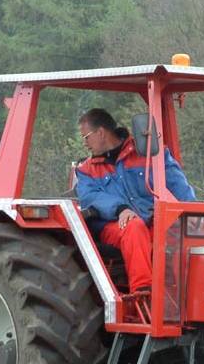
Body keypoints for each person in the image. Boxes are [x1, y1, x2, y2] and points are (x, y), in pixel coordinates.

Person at [75, 108, 195, 293]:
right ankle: (142, 292)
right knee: (134, 227)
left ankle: (189, 292)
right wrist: (120, 209)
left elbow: (176, 182)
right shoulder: (86, 170)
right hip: (114, 225)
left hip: (150, 220)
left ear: (100, 132)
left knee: (194, 231)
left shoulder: (149, 154)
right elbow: (90, 197)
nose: (85, 143)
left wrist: (191, 212)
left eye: (86, 137)